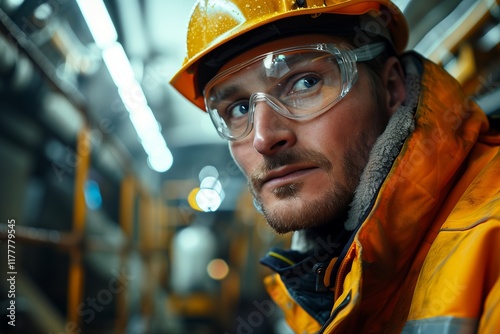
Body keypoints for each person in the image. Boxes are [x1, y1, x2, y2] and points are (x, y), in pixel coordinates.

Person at [170, 0, 500, 333]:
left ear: (390, 88)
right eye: (239, 108)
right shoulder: (322, 279)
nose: (263, 137)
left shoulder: (491, 243)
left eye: (305, 83)